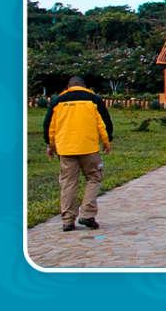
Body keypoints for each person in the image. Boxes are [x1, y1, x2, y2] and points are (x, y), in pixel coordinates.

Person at [42, 76, 113, 232]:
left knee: (68, 183)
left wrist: (50, 144)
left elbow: (50, 125)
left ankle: (67, 220)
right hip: (89, 148)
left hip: (66, 149)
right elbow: (103, 123)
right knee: (94, 178)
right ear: (85, 86)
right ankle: (87, 214)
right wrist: (107, 141)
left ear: (68, 87)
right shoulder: (94, 99)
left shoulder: (58, 101)